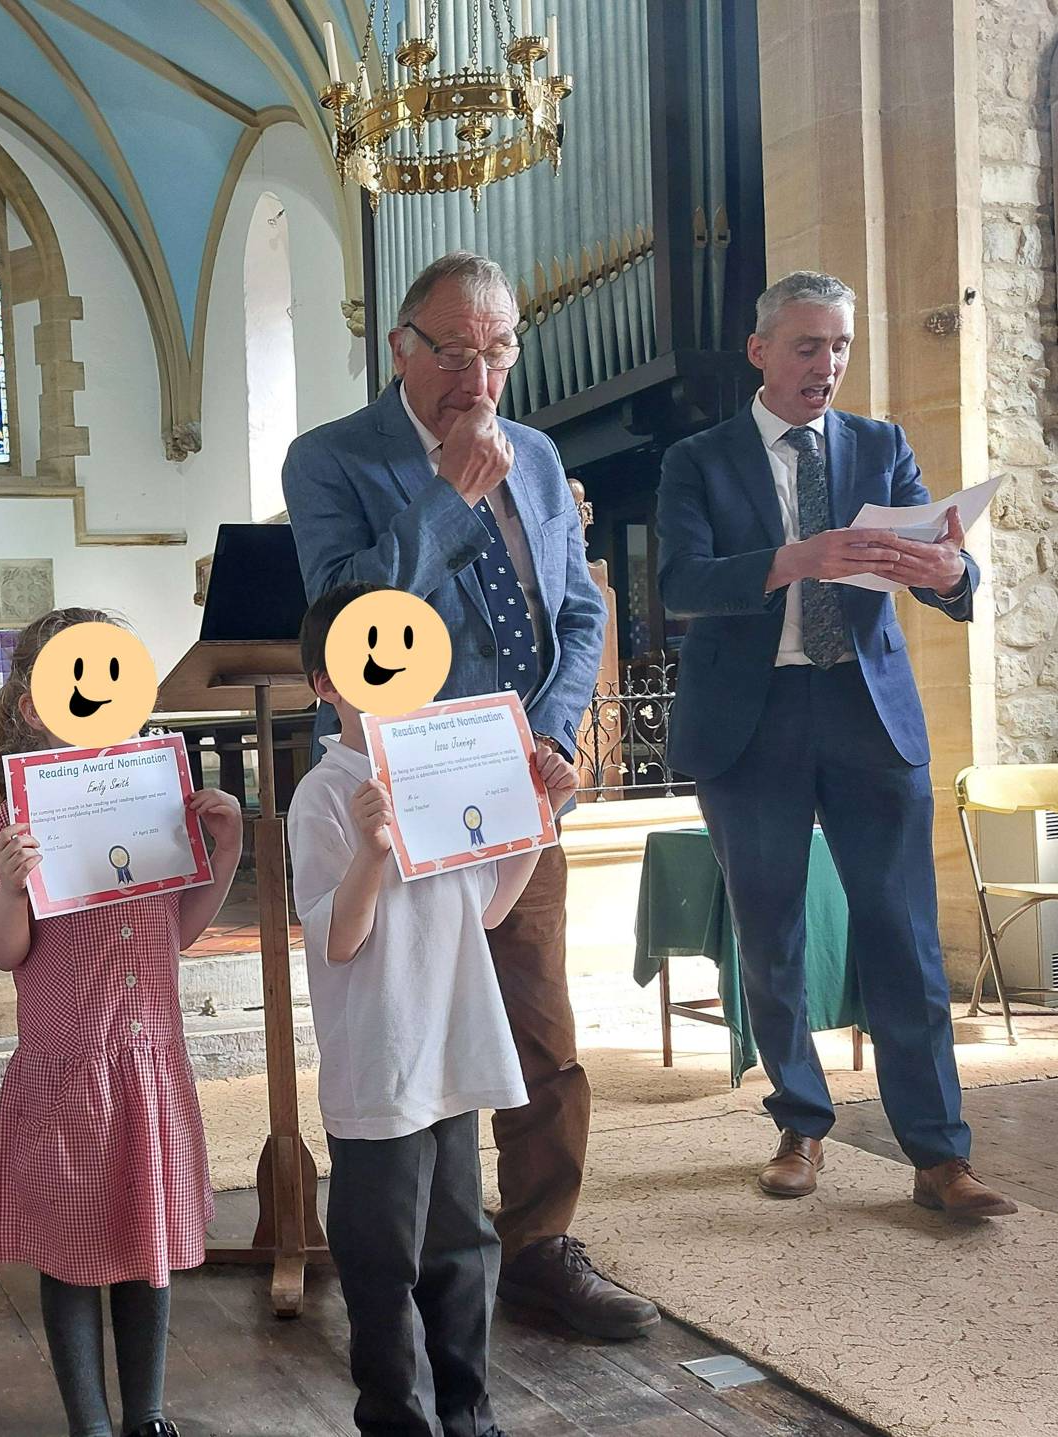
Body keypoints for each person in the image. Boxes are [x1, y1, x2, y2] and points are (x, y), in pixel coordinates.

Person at [283, 251, 657, 1340]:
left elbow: (578, 612)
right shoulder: (332, 459)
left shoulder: (536, 454)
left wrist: (553, 732)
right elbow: (346, 615)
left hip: (514, 786)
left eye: (497, 353)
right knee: (411, 1027)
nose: (478, 379)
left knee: (540, 1025)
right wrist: (445, 497)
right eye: (454, 353)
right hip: (399, 792)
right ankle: (408, 1259)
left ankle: (539, 1246)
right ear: (402, 349)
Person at [656, 269, 1016, 1217]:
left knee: (903, 933)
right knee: (771, 932)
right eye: (808, 346)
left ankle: (940, 1155)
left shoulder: (880, 445)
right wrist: (791, 560)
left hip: (868, 712)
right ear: (760, 351)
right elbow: (680, 583)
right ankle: (801, 1124)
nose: (828, 364)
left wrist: (951, 569)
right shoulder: (698, 459)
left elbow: (946, 566)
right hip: (752, 719)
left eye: (841, 346)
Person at [288, 580, 580, 1437]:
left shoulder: (447, 773)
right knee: (382, 1258)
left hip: (453, 1048)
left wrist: (539, 814)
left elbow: (489, 907)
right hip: (380, 1064)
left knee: (462, 1247)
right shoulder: (324, 794)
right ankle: (394, 1418)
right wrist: (373, 850)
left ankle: (470, 1414)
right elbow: (340, 939)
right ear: (325, 683)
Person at [0, 608, 245, 1437]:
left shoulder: (157, 802)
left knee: (146, 1240)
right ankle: (90, 1423)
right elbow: (5, 950)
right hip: (71, 1065)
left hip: (147, 1063)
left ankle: (147, 1414)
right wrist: (10, 886)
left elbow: (178, 930)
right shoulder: (12, 824)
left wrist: (226, 850)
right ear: (33, 706)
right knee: (70, 1250)